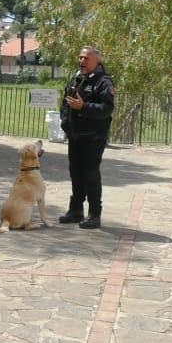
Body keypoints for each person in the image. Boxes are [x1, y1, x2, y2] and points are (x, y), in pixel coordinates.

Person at [58, 46, 115, 229]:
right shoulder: (76, 78)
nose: (82, 61)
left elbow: (106, 109)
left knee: (90, 175)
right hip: (75, 136)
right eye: (80, 57)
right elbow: (66, 104)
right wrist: (65, 122)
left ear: (97, 61)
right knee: (75, 173)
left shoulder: (103, 82)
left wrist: (83, 107)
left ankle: (94, 214)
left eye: (86, 58)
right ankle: (75, 211)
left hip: (93, 138)